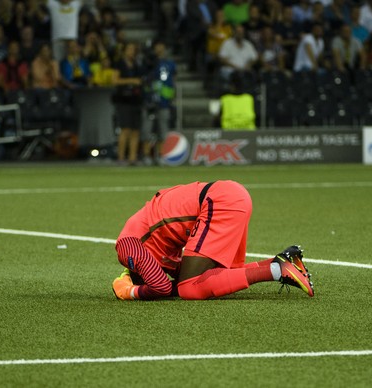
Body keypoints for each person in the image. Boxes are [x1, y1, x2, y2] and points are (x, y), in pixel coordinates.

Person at [111, 180, 314, 301]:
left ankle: (277, 269)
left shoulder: (127, 246)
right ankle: (284, 261)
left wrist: (129, 292)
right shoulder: (155, 249)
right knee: (216, 275)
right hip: (228, 196)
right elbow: (169, 281)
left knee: (189, 288)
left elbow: (161, 287)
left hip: (218, 201)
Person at [140, 39, 176, 165]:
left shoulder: (170, 64)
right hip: (149, 101)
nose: (159, 48)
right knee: (146, 130)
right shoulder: (148, 62)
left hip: (164, 102)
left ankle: (160, 156)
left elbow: (172, 81)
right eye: (157, 46)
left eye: (162, 46)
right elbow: (144, 79)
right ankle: (146, 156)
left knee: (163, 131)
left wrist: (171, 97)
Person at [113, 41, 144, 166]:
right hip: (123, 100)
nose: (132, 52)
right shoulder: (119, 64)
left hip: (136, 100)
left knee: (135, 130)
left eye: (133, 49)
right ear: (124, 51)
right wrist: (131, 80)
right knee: (125, 129)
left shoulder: (137, 65)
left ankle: (132, 158)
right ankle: (121, 157)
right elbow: (114, 81)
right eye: (129, 49)